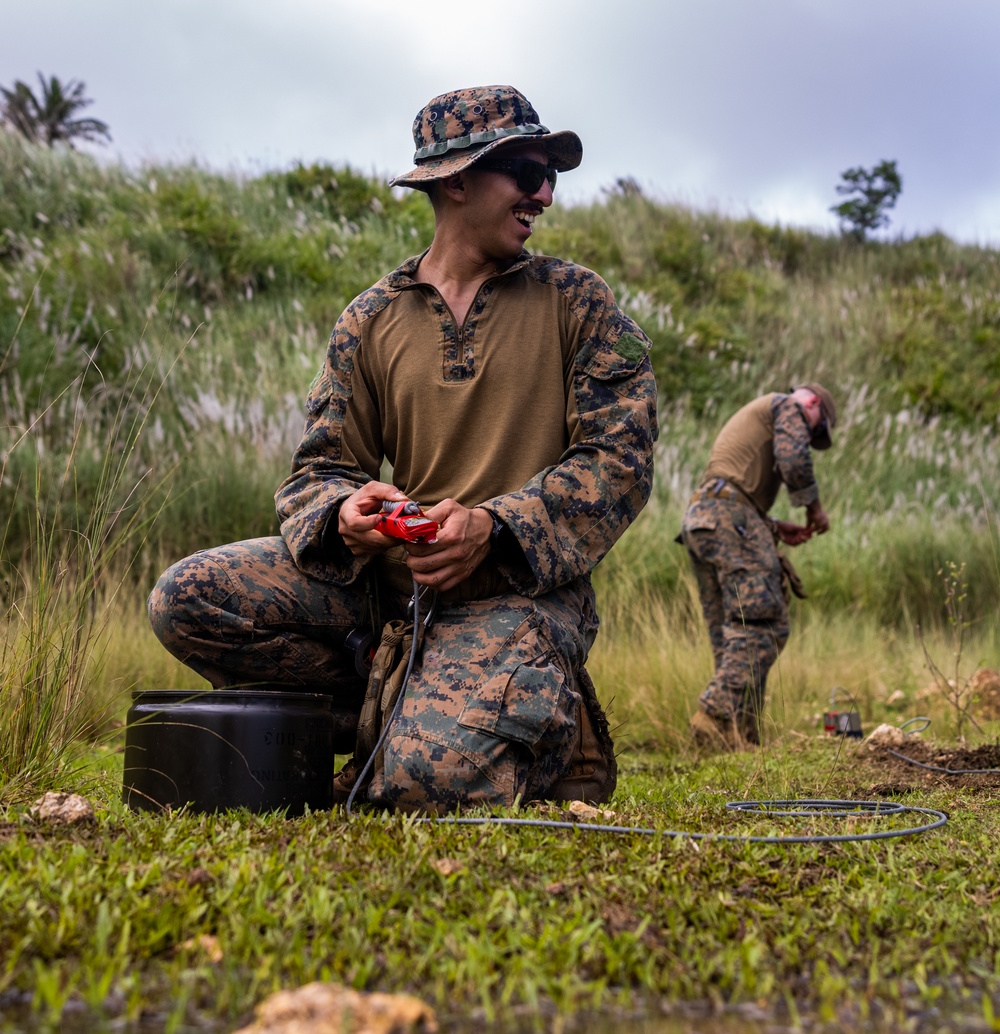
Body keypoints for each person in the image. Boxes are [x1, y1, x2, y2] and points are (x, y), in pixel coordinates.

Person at [148, 85, 658, 810]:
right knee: (188, 598)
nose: (544, 193)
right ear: (456, 180)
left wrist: (495, 526)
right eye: (526, 171)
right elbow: (318, 470)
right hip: (386, 597)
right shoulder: (370, 318)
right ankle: (404, 708)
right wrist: (343, 513)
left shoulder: (576, 302)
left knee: (422, 785)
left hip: (514, 595)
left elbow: (621, 460)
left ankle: (531, 719)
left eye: (552, 174)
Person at [679, 383, 836, 750]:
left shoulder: (760, 414)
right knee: (764, 624)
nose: (810, 436)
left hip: (705, 518)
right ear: (811, 403)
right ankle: (713, 715)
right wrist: (814, 509)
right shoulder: (787, 406)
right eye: (815, 430)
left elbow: (733, 487)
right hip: (731, 518)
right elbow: (793, 458)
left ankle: (737, 735)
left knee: (732, 632)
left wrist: (775, 527)